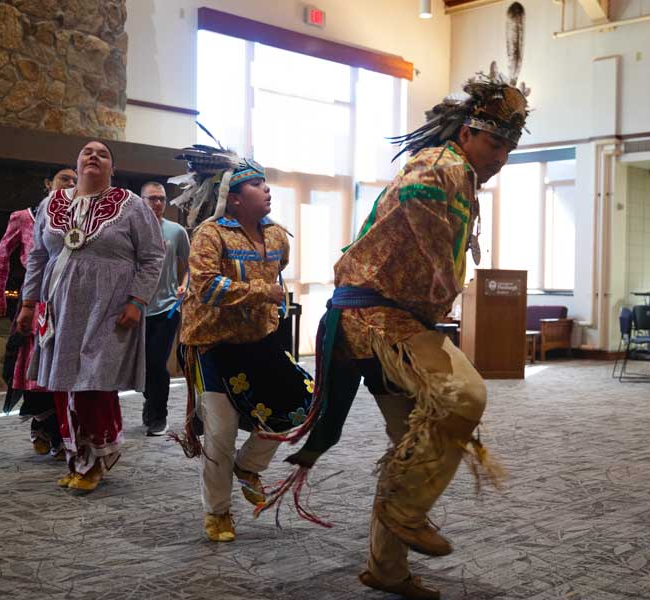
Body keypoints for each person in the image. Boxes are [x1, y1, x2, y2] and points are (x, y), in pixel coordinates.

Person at [265, 64, 528, 600]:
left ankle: (385, 567)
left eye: (508, 149)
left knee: (413, 437)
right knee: (462, 394)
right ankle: (405, 510)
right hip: (376, 317)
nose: (501, 157)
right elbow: (417, 189)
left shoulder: (464, 177)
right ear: (466, 134)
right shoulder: (442, 164)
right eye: (494, 143)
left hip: (398, 318)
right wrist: (437, 270)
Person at [169, 145, 313, 543]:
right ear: (232, 196)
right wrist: (258, 292)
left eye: (265, 182)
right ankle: (217, 512)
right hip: (213, 345)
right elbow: (206, 285)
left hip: (261, 342)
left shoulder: (278, 236)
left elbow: (277, 273)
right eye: (256, 184)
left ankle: (248, 466)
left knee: (300, 405)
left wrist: (263, 297)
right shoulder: (209, 234)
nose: (267, 190)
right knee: (221, 431)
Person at [17, 140, 165, 492]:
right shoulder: (51, 204)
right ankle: (76, 457)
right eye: (87, 152)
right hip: (58, 308)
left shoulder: (130, 206)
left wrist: (137, 300)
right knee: (62, 383)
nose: (94, 156)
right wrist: (27, 303)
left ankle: (96, 457)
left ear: (112, 169)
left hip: (109, 307)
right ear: (77, 163)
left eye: (103, 154)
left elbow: (153, 256)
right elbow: (38, 257)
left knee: (93, 384)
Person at [0, 166, 77, 457]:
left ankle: (63, 434)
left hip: (66, 301)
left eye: (75, 181)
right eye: (64, 179)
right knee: (33, 370)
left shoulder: (79, 218)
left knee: (61, 369)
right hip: (33, 300)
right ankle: (42, 427)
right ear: (47, 183)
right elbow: (1, 259)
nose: (70, 183)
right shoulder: (23, 217)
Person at [140, 181, 190, 436]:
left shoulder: (176, 231)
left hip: (167, 308)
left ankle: (158, 416)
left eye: (161, 198)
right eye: (152, 199)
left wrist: (184, 286)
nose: (157, 203)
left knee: (157, 363)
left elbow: (192, 267)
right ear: (141, 202)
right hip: (136, 309)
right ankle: (151, 405)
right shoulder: (131, 230)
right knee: (142, 365)